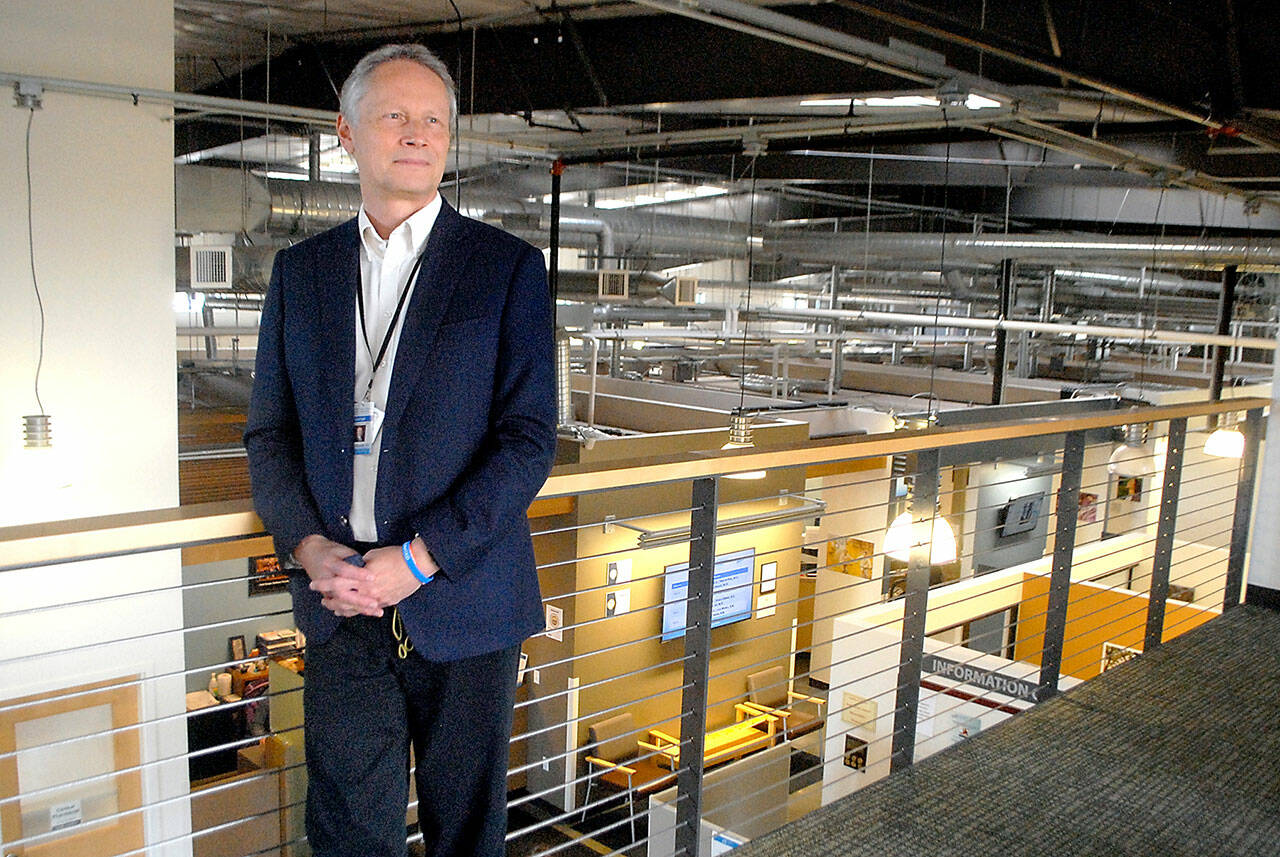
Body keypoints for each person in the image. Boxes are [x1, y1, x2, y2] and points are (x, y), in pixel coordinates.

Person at [244, 43, 557, 857]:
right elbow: (268, 433)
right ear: (347, 132)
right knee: (348, 833)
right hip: (342, 601)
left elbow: (528, 441)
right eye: (394, 115)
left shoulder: (506, 269)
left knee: (466, 834)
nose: (417, 133)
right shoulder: (301, 272)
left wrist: (419, 558)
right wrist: (307, 546)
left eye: (433, 120)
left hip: (465, 596)